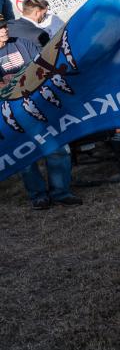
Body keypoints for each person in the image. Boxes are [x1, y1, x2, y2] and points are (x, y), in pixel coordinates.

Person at [0, 17, 79, 210]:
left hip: (38, 104)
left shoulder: (22, 43)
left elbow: (41, 66)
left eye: (3, 25)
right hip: (11, 112)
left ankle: (61, 192)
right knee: (26, 155)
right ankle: (38, 195)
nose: (4, 29)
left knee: (59, 148)